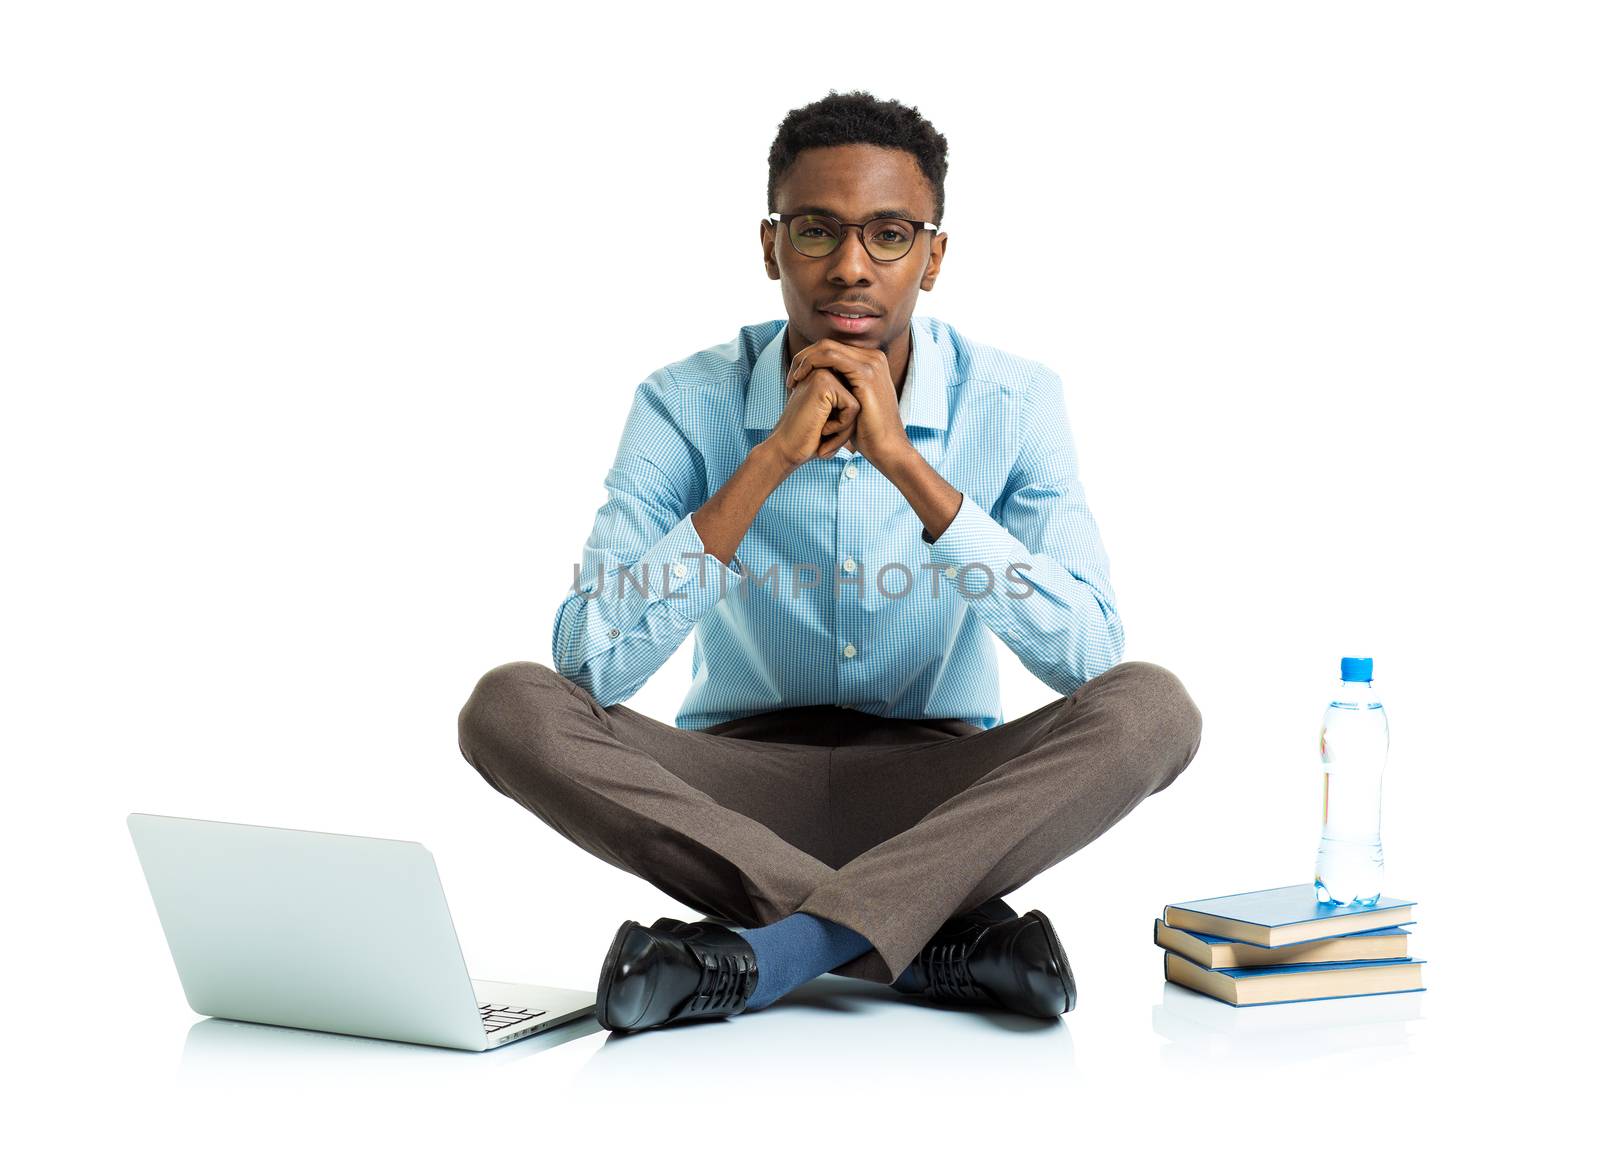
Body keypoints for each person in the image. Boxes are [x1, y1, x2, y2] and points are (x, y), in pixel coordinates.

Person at [457, 89, 1202, 1035]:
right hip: (730, 796)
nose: (851, 268)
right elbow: (590, 663)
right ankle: (929, 941)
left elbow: (1090, 654)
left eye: (889, 235)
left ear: (933, 258)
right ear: (771, 246)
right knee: (507, 706)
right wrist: (766, 460)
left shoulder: (1015, 401)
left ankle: (774, 954)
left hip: (941, 792)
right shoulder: (684, 401)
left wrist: (905, 464)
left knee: (1154, 709)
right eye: (817, 231)